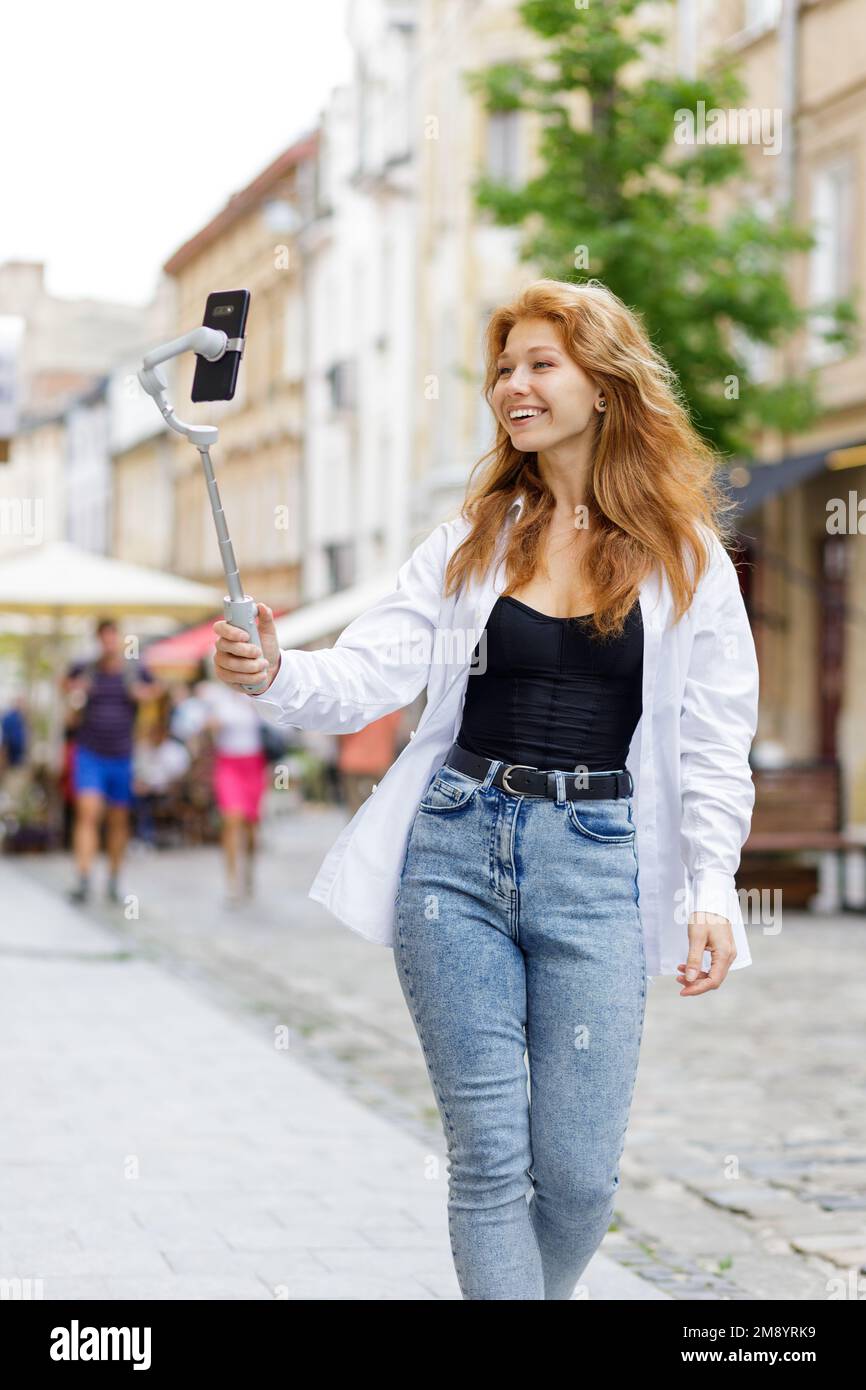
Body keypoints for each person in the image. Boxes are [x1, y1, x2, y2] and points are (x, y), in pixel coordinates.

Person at [211, 278, 760, 1300]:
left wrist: (710, 885)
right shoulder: (475, 536)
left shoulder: (685, 555)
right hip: (453, 853)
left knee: (578, 1174)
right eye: (502, 366)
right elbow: (367, 673)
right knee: (488, 1157)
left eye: (539, 363)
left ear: (601, 383)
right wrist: (278, 672)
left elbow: (714, 737)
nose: (512, 383)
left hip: (597, 862)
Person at [63, 617, 165, 904]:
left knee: (118, 820)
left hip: (122, 755)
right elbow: (65, 685)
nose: (108, 643)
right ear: (98, 640)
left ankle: (113, 877)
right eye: (104, 637)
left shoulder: (134, 669)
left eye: (113, 637)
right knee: (88, 813)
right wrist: (73, 690)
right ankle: (83, 877)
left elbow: (158, 690)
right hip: (90, 753)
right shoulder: (86, 668)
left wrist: (143, 695)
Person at [197, 664, 270, 903]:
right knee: (231, 819)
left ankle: (248, 870)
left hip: (253, 765)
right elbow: (205, 727)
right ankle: (231, 880)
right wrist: (211, 725)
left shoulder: (257, 696)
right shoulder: (217, 699)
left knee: (250, 826)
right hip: (228, 764)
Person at [132, 698, 192, 847]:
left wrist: (156, 785)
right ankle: (142, 837)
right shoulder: (143, 748)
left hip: (166, 789)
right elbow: (136, 770)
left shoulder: (175, 751)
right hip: (144, 788)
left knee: (147, 800)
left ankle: (146, 837)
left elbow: (179, 775)